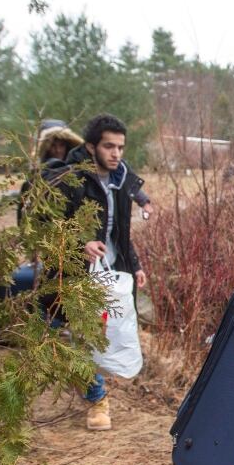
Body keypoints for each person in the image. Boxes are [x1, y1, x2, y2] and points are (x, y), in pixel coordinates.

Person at [55, 113, 149, 431]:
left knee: (106, 331)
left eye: (121, 147)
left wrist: (134, 266)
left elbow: (120, 233)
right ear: (92, 146)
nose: (116, 153)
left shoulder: (120, 177)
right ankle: (97, 401)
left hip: (111, 270)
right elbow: (51, 226)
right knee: (84, 335)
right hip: (78, 270)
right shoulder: (71, 177)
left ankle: (90, 377)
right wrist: (79, 244)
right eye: (109, 146)